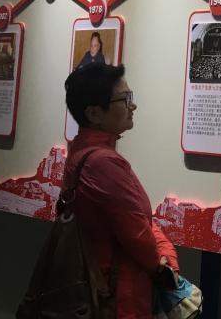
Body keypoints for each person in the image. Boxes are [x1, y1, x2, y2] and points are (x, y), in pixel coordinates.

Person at [63, 64, 179, 318]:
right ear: (95, 113)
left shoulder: (83, 152)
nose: (132, 106)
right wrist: (164, 261)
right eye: (125, 99)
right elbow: (137, 233)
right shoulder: (102, 162)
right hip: (117, 295)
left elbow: (137, 222)